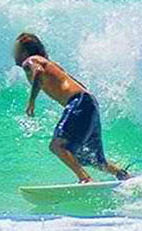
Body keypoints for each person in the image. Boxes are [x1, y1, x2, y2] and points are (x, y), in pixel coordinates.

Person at [14, 32, 129, 183]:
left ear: (24, 51)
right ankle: (124, 175)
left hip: (78, 102)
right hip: (89, 102)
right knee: (92, 158)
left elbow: (38, 72)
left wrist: (32, 101)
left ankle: (85, 179)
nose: (13, 54)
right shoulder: (51, 64)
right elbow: (80, 85)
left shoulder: (30, 60)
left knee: (57, 146)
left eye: (16, 50)